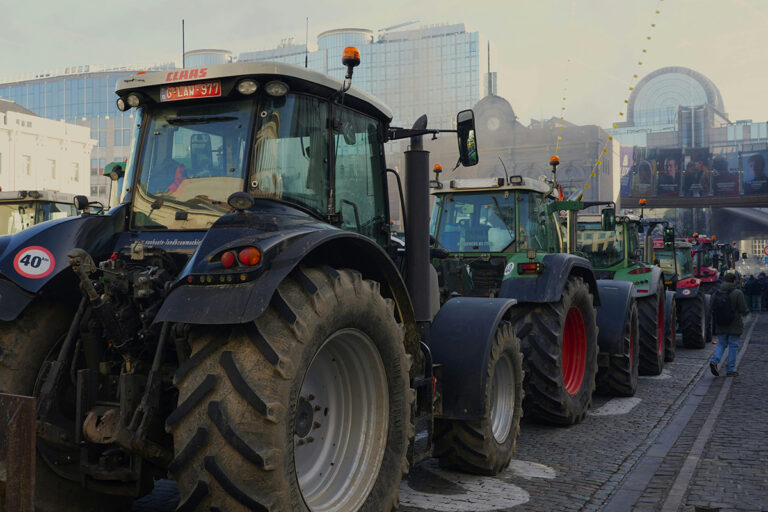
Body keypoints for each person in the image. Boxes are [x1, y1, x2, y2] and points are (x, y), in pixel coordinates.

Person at [709, 272, 748, 377]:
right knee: (733, 346)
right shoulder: (737, 293)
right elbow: (743, 309)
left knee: (721, 344)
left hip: (720, 323)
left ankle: (714, 361)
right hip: (734, 324)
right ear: (734, 281)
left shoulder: (716, 293)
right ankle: (730, 370)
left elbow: (711, 307)